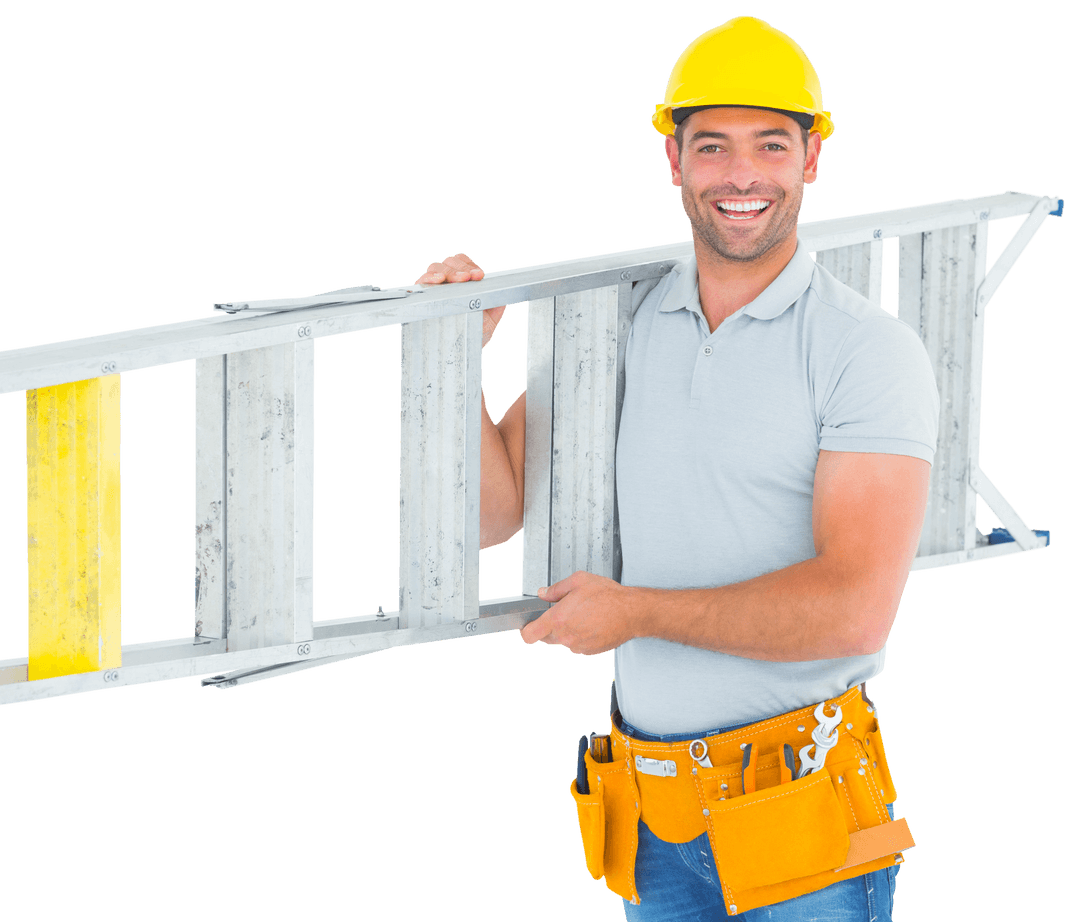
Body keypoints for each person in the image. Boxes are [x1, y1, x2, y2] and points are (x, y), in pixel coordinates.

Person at [418, 15, 937, 921]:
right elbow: (493, 515)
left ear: (811, 158)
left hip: (801, 824)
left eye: (771, 145)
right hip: (654, 818)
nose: (742, 176)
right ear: (674, 161)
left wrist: (638, 614)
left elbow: (855, 612)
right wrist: (455, 361)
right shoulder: (615, 329)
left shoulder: (866, 351)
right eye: (713, 147)